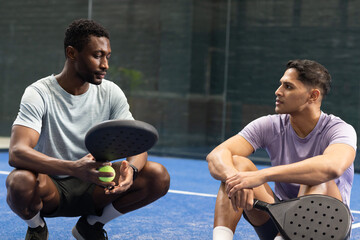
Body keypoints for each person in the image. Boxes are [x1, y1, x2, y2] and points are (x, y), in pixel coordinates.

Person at [6, 19, 170, 240]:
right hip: (50, 188)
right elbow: (16, 152)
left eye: (107, 56)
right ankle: (36, 228)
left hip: (95, 185)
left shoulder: (111, 92)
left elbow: (137, 144)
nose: (105, 65)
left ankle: (91, 225)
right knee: (19, 181)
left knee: (157, 175)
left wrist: (131, 170)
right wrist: (74, 168)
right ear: (72, 53)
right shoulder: (39, 93)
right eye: (97, 55)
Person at [207, 59, 357, 240]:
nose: (278, 92)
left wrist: (263, 175)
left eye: (288, 86)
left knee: (317, 180)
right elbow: (216, 155)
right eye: (281, 85)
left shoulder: (340, 130)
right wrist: (236, 179)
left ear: (313, 96)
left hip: (324, 226)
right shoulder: (270, 124)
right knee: (237, 166)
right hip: (277, 218)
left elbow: (331, 167)